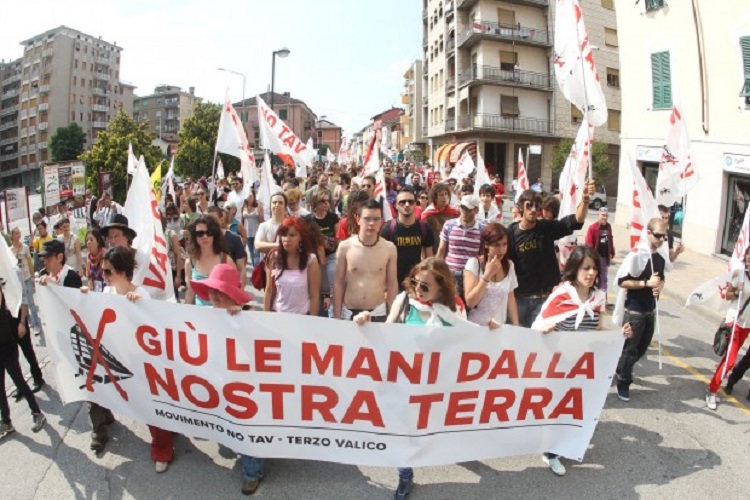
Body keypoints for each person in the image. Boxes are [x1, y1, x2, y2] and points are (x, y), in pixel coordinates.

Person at [353, 258, 479, 500]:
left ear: (442, 289)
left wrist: (492, 332)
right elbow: (387, 334)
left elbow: (469, 339)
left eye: (425, 287)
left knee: (435, 430)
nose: (417, 290)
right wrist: (367, 323)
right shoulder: (403, 302)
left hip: (438, 385)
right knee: (402, 431)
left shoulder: (454, 309)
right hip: (404, 382)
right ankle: (405, 475)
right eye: (415, 282)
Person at [532, 246, 632, 476]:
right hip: (557, 364)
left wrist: (619, 333)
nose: (591, 273)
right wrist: (545, 329)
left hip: (581, 365)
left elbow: (598, 329)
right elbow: (538, 326)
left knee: (575, 408)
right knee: (557, 408)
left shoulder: (598, 298)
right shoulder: (561, 294)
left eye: (594, 268)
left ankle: (563, 444)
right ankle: (551, 452)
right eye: (586, 268)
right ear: (575, 269)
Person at [83, 246, 174, 472]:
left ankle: (162, 449)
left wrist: (139, 307)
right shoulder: (107, 294)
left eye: (107, 272)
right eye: (103, 271)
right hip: (118, 359)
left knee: (151, 404)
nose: (104, 276)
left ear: (122, 272)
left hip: (141, 361)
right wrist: (84, 297)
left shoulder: (140, 294)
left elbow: (152, 330)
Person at [189, 264, 261, 494]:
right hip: (220, 381)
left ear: (232, 296)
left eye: (220, 297)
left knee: (247, 427)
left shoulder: (249, 317)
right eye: (212, 295)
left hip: (247, 387)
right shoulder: (208, 316)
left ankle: (252, 472)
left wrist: (242, 319)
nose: (214, 301)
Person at [508, 184, 594, 327]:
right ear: (521, 207)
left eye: (537, 206)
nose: (534, 209)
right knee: (519, 344)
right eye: (529, 205)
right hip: (520, 300)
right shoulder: (510, 233)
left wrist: (585, 199)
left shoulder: (546, 228)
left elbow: (576, 220)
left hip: (546, 299)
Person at [615, 217, 667, 402]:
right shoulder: (637, 255)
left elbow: (661, 279)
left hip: (650, 311)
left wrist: (658, 286)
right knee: (630, 350)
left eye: (664, 236)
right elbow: (622, 281)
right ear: (649, 233)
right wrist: (646, 283)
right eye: (658, 235)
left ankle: (620, 367)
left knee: (641, 349)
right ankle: (623, 381)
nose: (661, 240)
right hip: (634, 311)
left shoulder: (659, 259)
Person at [333, 199, 398, 322]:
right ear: (358, 219)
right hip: (349, 311)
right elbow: (338, 282)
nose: (371, 223)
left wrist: (392, 316)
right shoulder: (345, 247)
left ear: (382, 222)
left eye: (376, 219)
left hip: (378, 311)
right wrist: (337, 315)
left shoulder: (389, 248)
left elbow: (392, 284)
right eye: (367, 219)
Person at [0, 266, 46, 437]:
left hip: (7, 345)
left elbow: (23, 299)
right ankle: (6, 421)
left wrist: (22, 322)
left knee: (19, 380)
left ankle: (37, 413)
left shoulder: (6, 289)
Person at [707, 247, 750, 409]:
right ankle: (712, 390)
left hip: (747, 325)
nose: (749, 262)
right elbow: (727, 295)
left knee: (729, 360)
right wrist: (737, 292)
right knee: (730, 361)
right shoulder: (739, 274)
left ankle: (714, 386)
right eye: (748, 259)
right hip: (735, 322)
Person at [464, 223, 519, 327]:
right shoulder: (474, 264)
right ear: (486, 244)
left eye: (504, 244)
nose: (501, 249)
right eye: (496, 245)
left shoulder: (509, 265)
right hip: (476, 329)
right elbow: (471, 302)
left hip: (499, 329)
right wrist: (487, 276)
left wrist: (516, 326)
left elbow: (511, 298)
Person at [264, 217, 321, 315]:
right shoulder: (274, 257)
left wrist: (313, 323)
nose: (287, 239)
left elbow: (314, 296)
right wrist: (265, 317)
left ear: (301, 237)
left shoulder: (311, 260)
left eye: (292, 235)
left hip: (302, 317)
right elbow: (269, 291)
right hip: (278, 315)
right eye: (284, 235)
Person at [381, 187, 435, 289]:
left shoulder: (424, 228)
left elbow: (429, 259)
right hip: (393, 282)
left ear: (415, 204)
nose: (407, 205)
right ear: (396, 205)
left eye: (410, 202)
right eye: (402, 202)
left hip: (416, 282)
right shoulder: (388, 228)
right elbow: (381, 258)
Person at [437, 195, 484, 298]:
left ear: (476, 210)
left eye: (468, 209)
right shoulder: (449, 225)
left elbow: (482, 255)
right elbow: (441, 250)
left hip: (470, 276)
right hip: (449, 273)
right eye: (462, 207)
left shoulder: (482, 230)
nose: (464, 211)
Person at [185, 216, 233, 306]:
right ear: (194, 236)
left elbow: (235, 292)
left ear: (214, 234)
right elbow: (190, 292)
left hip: (222, 314)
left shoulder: (225, 260)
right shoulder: (190, 262)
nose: (205, 236)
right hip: (200, 316)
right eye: (200, 233)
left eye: (209, 232)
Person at [10, 228, 41, 335]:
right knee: (23, 302)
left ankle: (36, 324)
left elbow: (29, 262)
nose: (18, 235)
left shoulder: (25, 247)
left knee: (31, 301)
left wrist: (32, 276)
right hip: (17, 280)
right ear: (12, 236)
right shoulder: (10, 250)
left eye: (19, 233)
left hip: (27, 277)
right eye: (16, 233)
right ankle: (28, 321)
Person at [207, 206, 247, 288]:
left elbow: (241, 269)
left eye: (213, 219)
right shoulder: (202, 239)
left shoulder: (234, 239)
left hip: (228, 288)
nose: (209, 223)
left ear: (221, 220)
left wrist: (240, 292)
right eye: (207, 220)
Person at [585, 207, 616, 307]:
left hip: (604, 257)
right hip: (595, 258)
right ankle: (589, 299)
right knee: (591, 279)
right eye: (603, 215)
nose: (605, 218)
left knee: (603, 280)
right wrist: (591, 257)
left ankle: (603, 300)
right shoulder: (593, 228)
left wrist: (612, 252)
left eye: (606, 216)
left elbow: (610, 240)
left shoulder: (608, 227)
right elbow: (589, 243)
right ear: (598, 215)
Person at [420, 183, 459, 254]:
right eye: (441, 195)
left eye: (446, 194)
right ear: (435, 197)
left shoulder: (454, 213)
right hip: (433, 250)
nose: (444, 197)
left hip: (451, 250)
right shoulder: (427, 214)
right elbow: (424, 235)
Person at [163, 203, 184, 294]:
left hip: (179, 239)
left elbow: (177, 255)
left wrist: (178, 276)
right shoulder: (167, 220)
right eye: (168, 212)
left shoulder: (180, 218)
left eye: (172, 211)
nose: (170, 214)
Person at [242, 190, 264, 267]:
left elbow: (261, 220)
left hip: (256, 232)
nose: (250, 198)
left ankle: (256, 271)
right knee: (251, 253)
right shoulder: (244, 207)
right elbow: (242, 221)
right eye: (248, 196)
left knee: (256, 253)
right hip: (247, 233)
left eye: (251, 196)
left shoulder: (258, 207)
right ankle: (255, 271)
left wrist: (260, 212)